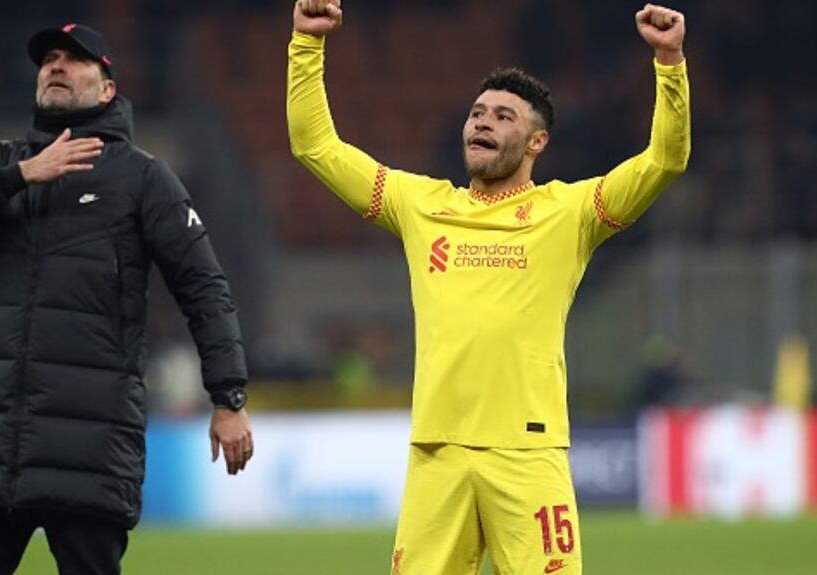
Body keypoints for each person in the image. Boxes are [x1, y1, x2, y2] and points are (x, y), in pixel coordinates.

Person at [287, 2, 690, 573]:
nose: (482, 121)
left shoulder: (570, 212)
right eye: (477, 112)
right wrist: (307, 45)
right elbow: (315, 147)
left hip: (527, 455)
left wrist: (669, 62)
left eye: (503, 116)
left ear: (537, 143)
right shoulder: (420, 205)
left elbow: (665, 161)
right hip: (437, 453)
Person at [0, 23, 253, 575]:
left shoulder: (145, 180)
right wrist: (21, 175)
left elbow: (203, 287)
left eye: (74, 60)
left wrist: (228, 397)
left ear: (107, 90)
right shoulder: (3, 165)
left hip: (87, 453)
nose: (55, 66)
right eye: (48, 59)